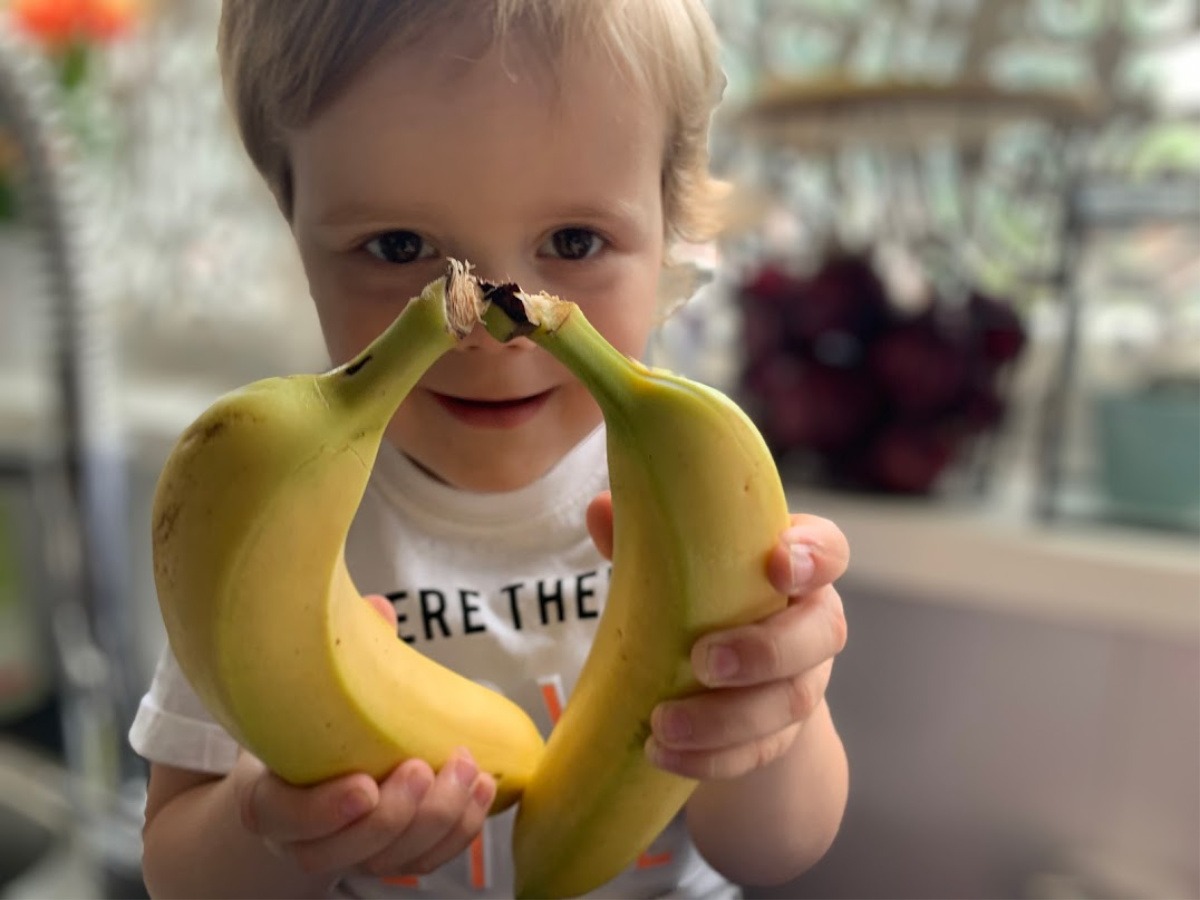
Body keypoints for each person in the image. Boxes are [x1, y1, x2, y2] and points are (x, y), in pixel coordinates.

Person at [129, 1, 851, 897]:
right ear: (294, 228)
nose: (491, 325)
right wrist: (264, 826)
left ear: (671, 235)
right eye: (397, 247)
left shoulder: (702, 500)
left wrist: (773, 716)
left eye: (574, 241)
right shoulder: (262, 523)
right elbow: (176, 870)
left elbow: (775, 850)